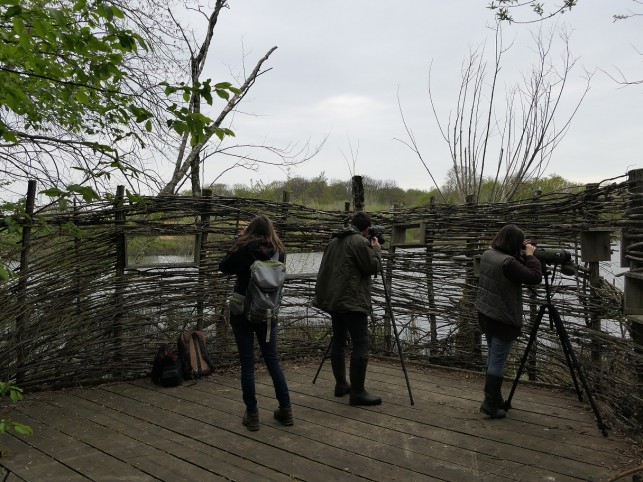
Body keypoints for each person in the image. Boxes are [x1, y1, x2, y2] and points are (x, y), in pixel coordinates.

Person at [218, 214, 293, 431]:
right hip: (268, 312)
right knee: (272, 360)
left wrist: (238, 241)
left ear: (249, 230)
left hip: (242, 311)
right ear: (271, 230)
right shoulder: (280, 251)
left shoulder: (243, 249)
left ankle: (252, 415)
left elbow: (223, 267)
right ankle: (286, 410)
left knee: (248, 364)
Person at [313, 211, 383, 406]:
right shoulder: (359, 242)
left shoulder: (334, 242)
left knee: (339, 341)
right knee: (361, 343)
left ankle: (342, 384)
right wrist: (377, 249)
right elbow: (372, 267)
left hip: (334, 300)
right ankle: (358, 393)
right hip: (352, 301)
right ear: (366, 228)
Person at [474, 223, 543, 419]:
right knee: (497, 361)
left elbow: (511, 269)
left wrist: (522, 252)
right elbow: (534, 277)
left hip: (486, 314)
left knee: (492, 358)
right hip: (503, 319)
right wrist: (530, 255)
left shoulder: (489, 254)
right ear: (513, 243)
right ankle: (490, 404)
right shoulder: (508, 263)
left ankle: (495, 399)